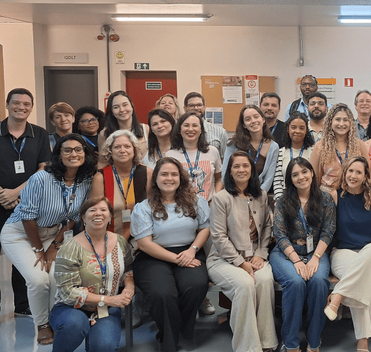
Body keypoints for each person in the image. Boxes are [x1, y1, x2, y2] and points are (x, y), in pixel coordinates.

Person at [0, 134, 97, 345]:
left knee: (56, 276)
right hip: (20, 233)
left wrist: (54, 245)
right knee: (37, 279)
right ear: (59, 155)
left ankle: (54, 318)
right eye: (68, 150)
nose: (74, 154)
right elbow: (27, 217)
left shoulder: (86, 180)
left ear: (85, 153)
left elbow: (73, 218)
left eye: (78, 149)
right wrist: (39, 249)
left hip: (53, 234)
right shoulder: (41, 178)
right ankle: (42, 324)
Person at [130, 157, 211, 352]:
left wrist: (192, 251)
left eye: (174, 174)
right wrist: (177, 259)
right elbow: (145, 243)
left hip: (189, 250)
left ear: (181, 178)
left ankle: (170, 332)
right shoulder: (143, 207)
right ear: (155, 178)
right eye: (164, 174)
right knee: (162, 294)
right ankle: (170, 344)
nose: (169, 178)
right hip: (152, 256)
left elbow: (205, 229)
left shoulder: (196, 201)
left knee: (196, 286)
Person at [208, 151, 278, 352]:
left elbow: (266, 227)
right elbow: (219, 237)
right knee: (246, 284)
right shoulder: (221, 198)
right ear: (229, 171)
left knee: (265, 281)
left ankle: (266, 343)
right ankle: (247, 347)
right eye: (236, 166)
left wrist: (260, 254)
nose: (241, 170)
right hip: (224, 259)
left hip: (256, 256)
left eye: (245, 166)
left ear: (252, 169)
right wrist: (241, 262)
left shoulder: (261, 195)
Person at [50, 197, 135, 352]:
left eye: (103, 210)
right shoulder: (69, 247)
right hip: (71, 308)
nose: (98, 214)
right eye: (92, 210)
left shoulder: (121, 242)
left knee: (104, 346)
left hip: (106, 309)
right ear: (83, 217)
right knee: (75, 324)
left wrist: (129, 287)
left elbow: (128, 269)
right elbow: (67, 291)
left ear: (110, 216)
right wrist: (110, 299)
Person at [270, 157, 336, 352]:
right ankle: (290, 344)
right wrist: (297, 261)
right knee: (296, 282)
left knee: (318, 282)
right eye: (295, 174)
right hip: (286, 253)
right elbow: (280, 235)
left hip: (316, 251)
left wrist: (315, 258)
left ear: (312, 173)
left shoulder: (325, 199)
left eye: (304, 172)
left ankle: (314, 341)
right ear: (290, 179)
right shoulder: (283, 201)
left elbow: (328, 230)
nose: (301, 177)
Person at [325, 156, 371, 352]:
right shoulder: (335, 196)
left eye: (358, 172)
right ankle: (363, 340)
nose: (353, 175)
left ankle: (338, 296)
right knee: (363, 282)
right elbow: (327, 230)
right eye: (350, 171)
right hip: (343, 252)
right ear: (344, 173)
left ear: (366, 176)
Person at [1, 88, 52, 317]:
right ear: (7, 104)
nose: (21, 107)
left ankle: (22, 306)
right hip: (0, 200)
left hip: (28, 204)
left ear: (31, 107)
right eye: (16, 103)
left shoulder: (39, 134)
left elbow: (44, 168)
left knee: (22, 254)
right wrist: (3, 194)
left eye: (26, 104)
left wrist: (18, 193)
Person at [90, 130, 152, 239]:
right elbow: (96, 213)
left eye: (127, 146)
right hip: (109, 237)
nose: (122, 150)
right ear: (110, 151)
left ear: (135, 150)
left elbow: (154, 208)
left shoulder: (147, 173)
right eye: (117, 147)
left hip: (142, 238)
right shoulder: (101, 177)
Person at [165, 112, 223, 201]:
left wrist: (216, 198)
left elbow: (219, 178)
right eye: (186, 125)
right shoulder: (170, 155)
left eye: (195, 125)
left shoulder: (212, 151)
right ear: (179, 130)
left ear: (201, 130)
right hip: (181, 208)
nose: (190, 129)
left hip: (209, 207)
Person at [309, 103, 365, 193]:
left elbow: (367, 174)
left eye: (345, 120)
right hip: (327, 197)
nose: (341, 124)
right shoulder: (320, 146)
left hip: (353, 195)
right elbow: (314, 178)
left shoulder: (360, 145)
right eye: (338, 119)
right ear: (330, 122)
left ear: (351, 123)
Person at [223, 105, 279, 192]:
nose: (253, 121)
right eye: (248, 119)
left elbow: (268, 179)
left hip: (259, 196)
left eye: (256, 117)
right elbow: (225, 175)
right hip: (234, 195)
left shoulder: (273, 147)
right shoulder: (233, 144)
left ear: (263, 120)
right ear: (244, 125)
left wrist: (257, 197)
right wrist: (237, 196)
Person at [274, 113, 316, 201]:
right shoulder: (281, 152)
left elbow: (316, 177)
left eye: (302, 128)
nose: (297, 131)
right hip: (286, 199)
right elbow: (277, 180)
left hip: (309, 199)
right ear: (288, 129)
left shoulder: (314, 151)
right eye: (293, 127)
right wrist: (279, 201)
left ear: (306, 131)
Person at [100, 91, 149, 160]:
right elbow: (102, 162)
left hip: (145, 170)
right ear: (111, 111)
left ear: (132, 106)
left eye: (125, 105)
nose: (122, 110)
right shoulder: (104, 134)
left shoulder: (146, 129)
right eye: (116, 107)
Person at [183, 92, 228, 160]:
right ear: (185, 108)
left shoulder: (220, 132)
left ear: (204, 107)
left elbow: (225, 159)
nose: (196, 108)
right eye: (191, 105)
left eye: (199, 105)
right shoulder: (180, 131)